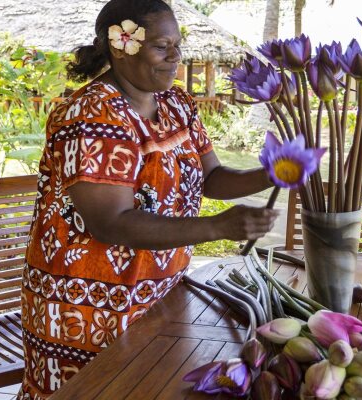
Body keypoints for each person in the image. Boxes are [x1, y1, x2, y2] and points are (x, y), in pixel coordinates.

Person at [18, 0, 278, 398]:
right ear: (122, 46)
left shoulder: (176, 105)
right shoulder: (90, 115)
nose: (176, 56)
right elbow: (112, 221)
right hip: (88, 307)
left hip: (159, 295)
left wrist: (275, 171)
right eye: (162, 46)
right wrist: (219, 226)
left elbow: (212, 177)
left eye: (177, 44)